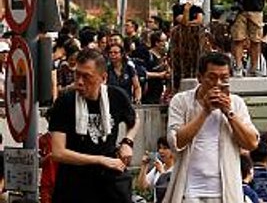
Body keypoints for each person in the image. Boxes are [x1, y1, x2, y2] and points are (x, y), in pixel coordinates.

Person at [165, 51, 261, 203]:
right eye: (212, 77)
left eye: (224, 78)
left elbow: (251, 143)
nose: (217, 83)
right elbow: (176, 141)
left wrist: (229, 112)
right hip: (188, 190)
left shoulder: (236, 103)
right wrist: (205, 111)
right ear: (200, 78)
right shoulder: (181, 101)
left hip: (226, 192)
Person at [48, 49, 140, 203]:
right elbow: (58, 152)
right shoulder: (65, 102)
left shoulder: (116, 96)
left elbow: (134, 120)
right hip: (73, 185)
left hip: (108, 184)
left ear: (103, 78)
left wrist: (127, 142)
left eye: (86, 76)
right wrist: (100, 160)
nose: (80, 82)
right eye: (77, 74)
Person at [171, 0, 206, 87]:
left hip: (195, 40)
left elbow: (199, 20)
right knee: (181, 64)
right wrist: (186, 9)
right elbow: (183, 22)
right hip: (181, 40)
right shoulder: (177, 7)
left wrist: (189, 23)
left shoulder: (197, 6)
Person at [136, 136, 176, 203]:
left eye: (165, 148)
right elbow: (142, 186)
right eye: (159, 148)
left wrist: (162, 172)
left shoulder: (177, 169)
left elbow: (170, 191)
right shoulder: (157, 168)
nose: (161, 151)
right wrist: (144, 166)